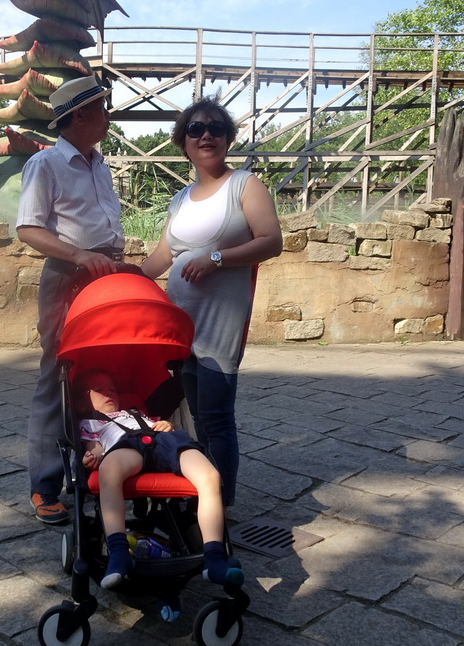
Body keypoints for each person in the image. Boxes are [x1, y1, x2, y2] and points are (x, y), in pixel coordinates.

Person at [141, 95, 282, 507]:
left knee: (218, 419)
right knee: (197, 417)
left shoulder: (245, 184)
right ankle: (203, 495)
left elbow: (271, 241)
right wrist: (126, 276)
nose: (206, 135)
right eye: (196, 129)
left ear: (228, 139)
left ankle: (221, 505)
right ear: (182, 141)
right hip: (180, 324)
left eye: (216, 128)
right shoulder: (181, 198)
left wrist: (217, 259)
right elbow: (163, 256)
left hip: (219, 325)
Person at [17, 75, 125, 525]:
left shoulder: (99, 163)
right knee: (56, 375)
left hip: (107, 276)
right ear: (79, 115)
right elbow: (28, 229)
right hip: (67, 277)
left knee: (101, 373)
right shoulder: (46, 166)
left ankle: (96, 468)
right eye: (102, 107)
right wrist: (81, 255)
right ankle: (44, 487)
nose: (108, 115)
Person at [74, 368, 244, 590]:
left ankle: (214, 556)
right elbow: (94, 446)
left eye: (112, 389)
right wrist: (93, 455)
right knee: (109, 470)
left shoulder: (135, 411)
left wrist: (166, 425)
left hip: (164, 441)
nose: (109, 393)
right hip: (126, 446)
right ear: (81, 403)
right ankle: (119, 552)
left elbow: (160, 425)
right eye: (99, 390)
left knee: (210, 475)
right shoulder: (91, 422)